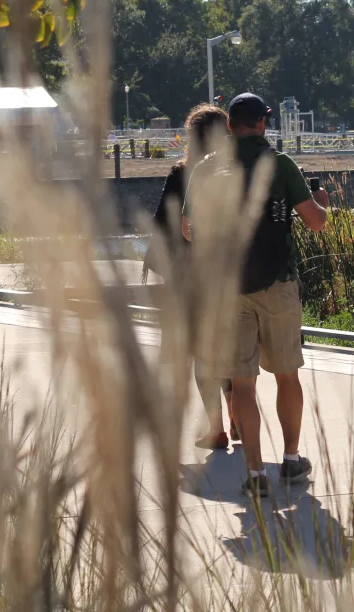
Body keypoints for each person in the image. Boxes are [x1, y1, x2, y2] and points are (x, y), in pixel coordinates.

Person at [183, 93, 330, 497]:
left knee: (243, 385)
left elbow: (188, 231)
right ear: (263, 123)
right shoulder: (280, 164)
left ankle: (253, 472)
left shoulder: (205, 170)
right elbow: (316, 223)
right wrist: (322, 203)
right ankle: (290, 458)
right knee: (286, 374)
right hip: (277, 283)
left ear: (229, 126)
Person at [146, 103, 240, 450]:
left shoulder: (182, 175)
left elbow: (162, 230)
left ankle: (215, 426)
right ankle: (237, 416)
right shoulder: (236, 173)